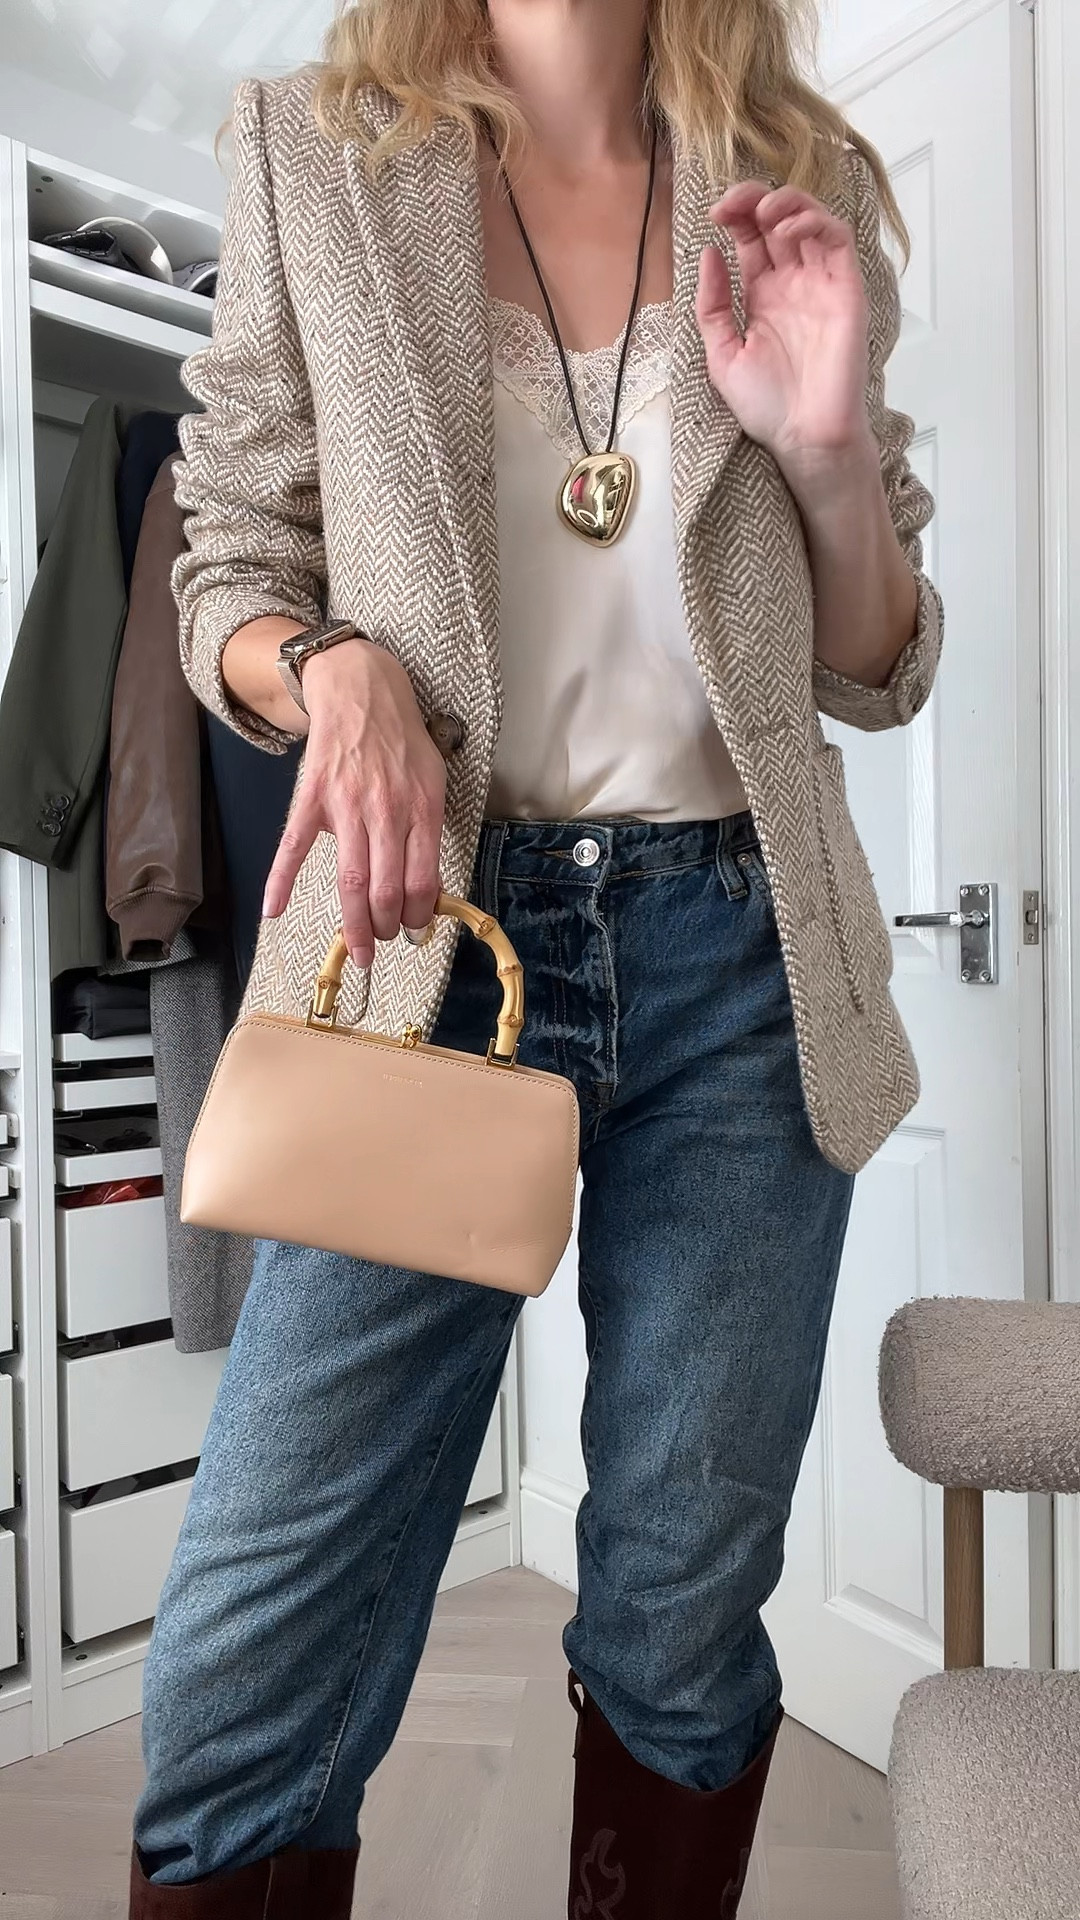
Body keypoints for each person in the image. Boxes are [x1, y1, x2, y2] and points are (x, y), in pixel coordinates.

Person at [127, 1, 943, 1913]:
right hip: (431, 944)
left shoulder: (797, 184)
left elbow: (880, 665)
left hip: (743, 962)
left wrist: (825, 454)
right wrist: (336, 670)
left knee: (679, 1604)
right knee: (251, 1649)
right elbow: (228, 565)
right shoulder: (311, 147)